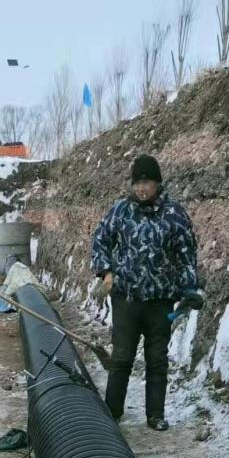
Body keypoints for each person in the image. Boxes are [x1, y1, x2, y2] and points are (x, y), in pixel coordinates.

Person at [90, 154, 201, 431]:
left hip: (161, 301)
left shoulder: (175, 214)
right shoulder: (120, 211)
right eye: (137, 183)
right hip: (126, 298)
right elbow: (100, 240)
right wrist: (105, 271)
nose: (141, 189)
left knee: (157, 359)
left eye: (147, 183)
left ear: (158, 184)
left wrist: (189, 288)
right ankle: (112, 412)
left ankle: (155, 415)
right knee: (122, 358)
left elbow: (186, 254)